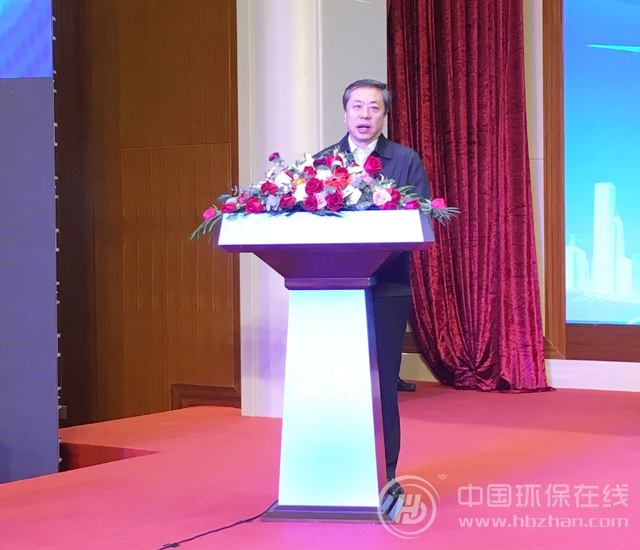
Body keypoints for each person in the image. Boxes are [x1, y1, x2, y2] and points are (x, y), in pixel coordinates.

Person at [316, 79, 431, 494]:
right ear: (345, 112)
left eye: (374, 108)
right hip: (331, 288)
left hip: (388, 286)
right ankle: (332, 470)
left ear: (385, 115)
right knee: (334, 382)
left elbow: (421, 218)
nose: (364, 115)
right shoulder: (323, 162)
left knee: (382, 384)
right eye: (357, 107)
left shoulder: (404, 159)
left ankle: (386, 474)